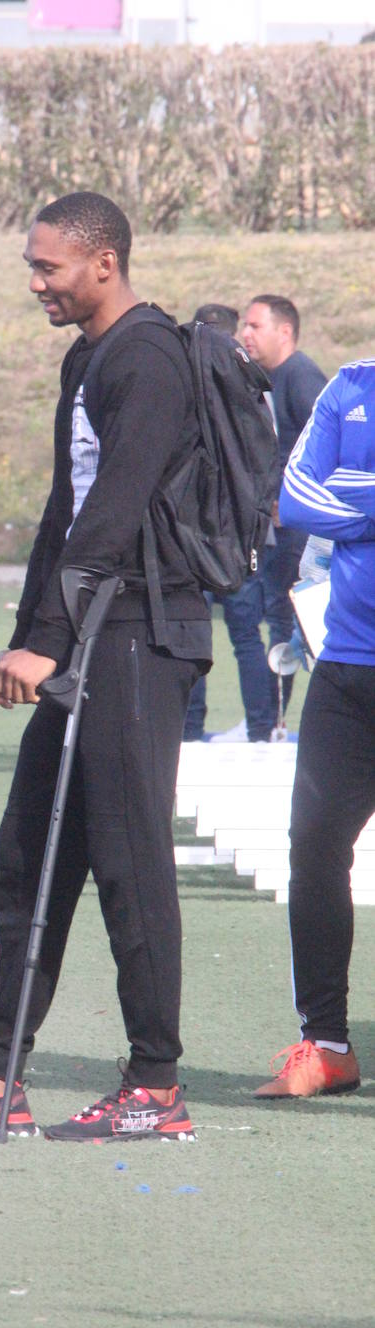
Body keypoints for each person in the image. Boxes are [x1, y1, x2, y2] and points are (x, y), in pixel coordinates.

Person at [0, 191, 210, 1143]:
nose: (35, 283)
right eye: (31, 266)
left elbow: (115, 511)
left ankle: (156, 1086)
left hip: (144, 633)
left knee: (129, 860)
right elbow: (62, 516)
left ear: (103, 264)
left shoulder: (148, 358)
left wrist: (52, 643)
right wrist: (24, 642)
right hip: (90, 634)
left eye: (48, 268)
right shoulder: (88, 357)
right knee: (31, 851)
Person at [255, 359, 374, 1098]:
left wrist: (352, 500)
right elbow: (294, 500)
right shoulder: (350, 386)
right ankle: (326, 1043)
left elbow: (324, 497)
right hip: (347, 667)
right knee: (315, 847)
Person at [213, 295, 326, 742]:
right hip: (267, 525)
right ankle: (264, 723)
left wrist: (292, 497)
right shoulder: (264, 378)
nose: (246, 334)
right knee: (259, 620)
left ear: (284, 331)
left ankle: (276, 725)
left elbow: (325, 443)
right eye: (245, 326)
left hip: (295, 531)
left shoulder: (301, 376)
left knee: (286, 622)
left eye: (255, 326)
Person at [182, 303, 239, 742]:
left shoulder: (245, 382)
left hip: (217, 530)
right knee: (204, 632)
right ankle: (191, 727)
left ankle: (260, 727)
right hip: (214, 530)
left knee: (237, 634)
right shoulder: (243, 379)